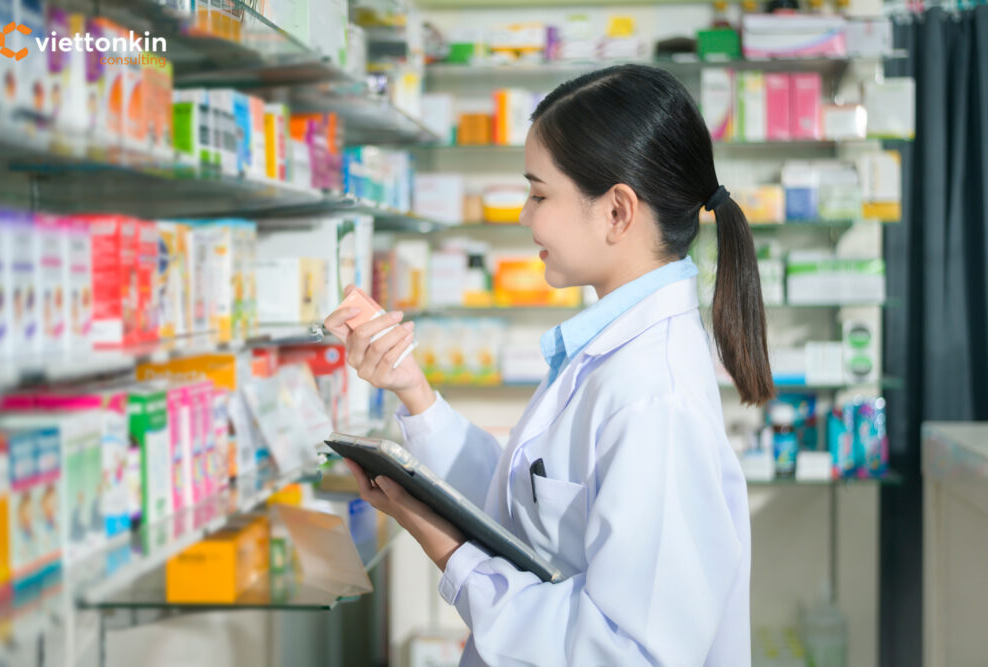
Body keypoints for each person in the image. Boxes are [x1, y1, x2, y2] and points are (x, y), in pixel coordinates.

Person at [324, 64, 774, 666]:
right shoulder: (608, 353)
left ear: (617, 213)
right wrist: (416, 393)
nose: (525, 217)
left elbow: (629, 654)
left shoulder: (653, 394)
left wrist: (446, 547)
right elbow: (528, 508)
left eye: (539, 194)